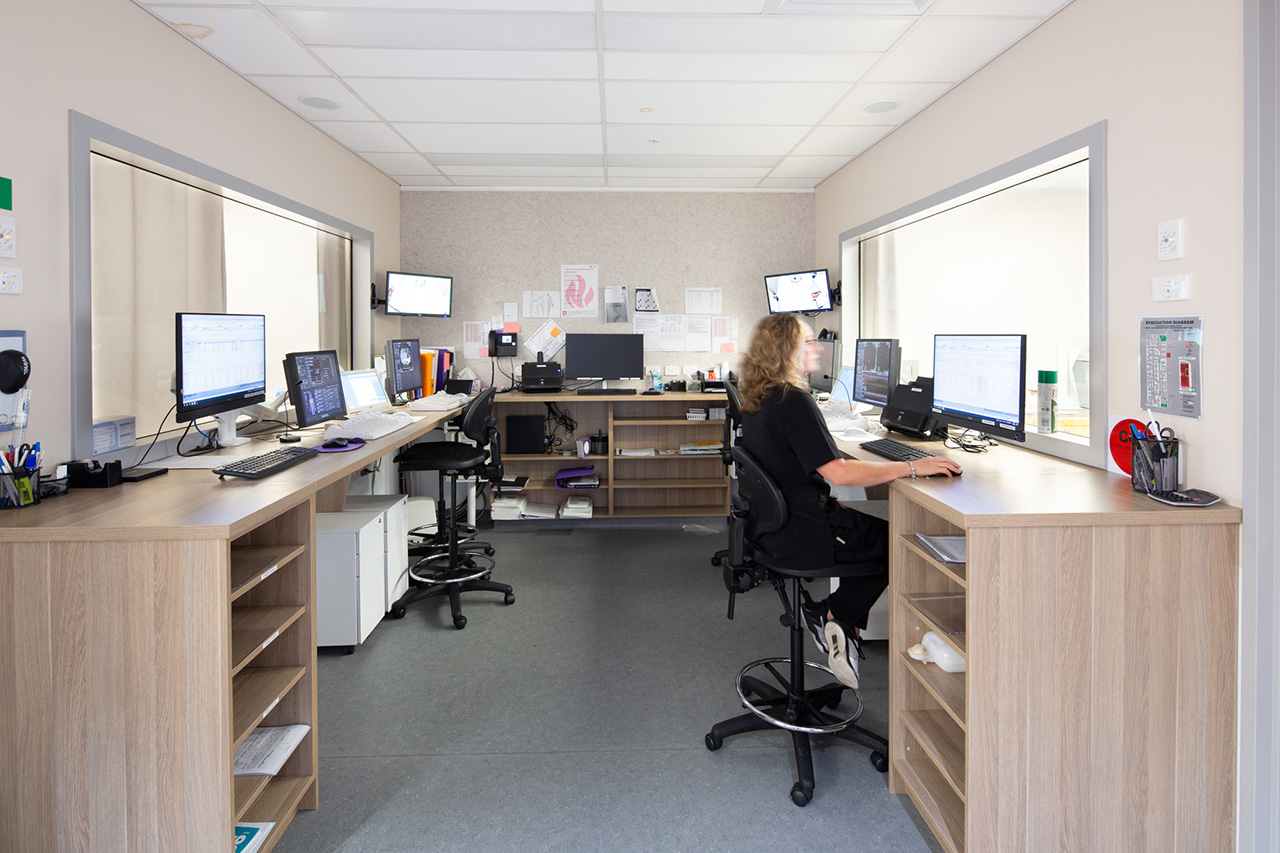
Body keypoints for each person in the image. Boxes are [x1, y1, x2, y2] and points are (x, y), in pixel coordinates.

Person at [736, 314, 961, 689]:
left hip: (778, 529)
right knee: (897, 542)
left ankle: (835, 618)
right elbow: (838, 473)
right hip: (804, 534)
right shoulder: (794, 401)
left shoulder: (761, 396)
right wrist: (911, 467)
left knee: (872, 528)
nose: (819, 348)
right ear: (786, 349)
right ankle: (835, 614)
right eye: (809, 342)